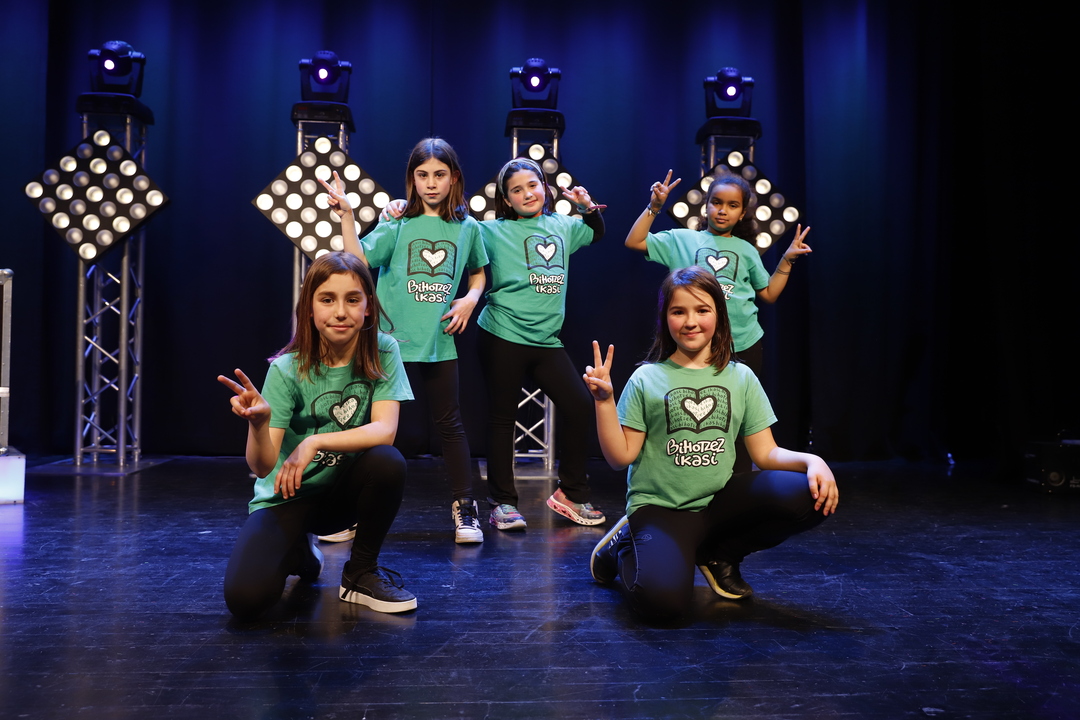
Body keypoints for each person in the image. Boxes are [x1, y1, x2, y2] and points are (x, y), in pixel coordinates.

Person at [583, 266, 838, 622]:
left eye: (702, 310)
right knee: (663, 607)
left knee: (812, 495)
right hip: (662, 509)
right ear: (665, 318)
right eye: (678, 311)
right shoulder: (647, 378)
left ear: (718, 313)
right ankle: (623, 545)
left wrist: (813, 461)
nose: (690, 321)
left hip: (718, 502)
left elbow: (766, 453)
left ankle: (719, 555)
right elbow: (619, 457)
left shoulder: (741, 376)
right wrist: (604, 402)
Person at [218, 252, 416, 619]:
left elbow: (385, 431)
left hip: (342, 496)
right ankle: (299, 550)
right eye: (327, 299)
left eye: (352, 299)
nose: (340, 312)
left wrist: (314, 440)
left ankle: (360, 573)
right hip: (288, 497)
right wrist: (258, 424)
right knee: (246, 601)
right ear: (309, 309)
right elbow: (262, 467)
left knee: (387, 462)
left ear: (368, 308)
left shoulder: (383, 349)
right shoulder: (286, 369)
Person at [322, 138, 489, 544]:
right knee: (366, 425)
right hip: (387, 343)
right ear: (412, 180)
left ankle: (466, 509)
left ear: (454, 178)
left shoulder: (467, 228)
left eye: (439, 174)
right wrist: (347, 217)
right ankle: (347, 511)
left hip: (438, 340)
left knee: (450, 424)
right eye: (422, 175)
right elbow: (359, 263)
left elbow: (478, 273)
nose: (431, 183)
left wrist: (470, 299)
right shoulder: (397, 222)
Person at [625, 170, 811, 473]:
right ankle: (693, 477)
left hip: (743, 344)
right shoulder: (683, 239)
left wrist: (787, 259)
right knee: (699, 418)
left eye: (732, 205)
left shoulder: (747, 250)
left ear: (742, 213)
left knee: (739, 419)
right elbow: (635, 241)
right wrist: (654, 206)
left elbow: (768, 293)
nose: (723, 210)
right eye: (716, 202)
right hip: (696, 347)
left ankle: (739, 485)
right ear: (706, 205)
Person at [476, 157, 607, 530]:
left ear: (545, 189)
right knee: (503, 418)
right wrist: (396, 212)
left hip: (546, 340)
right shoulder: (491, 231)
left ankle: (571, 494)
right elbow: (452, 232)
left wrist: (588, 206)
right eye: (516, 190)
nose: (527, 194)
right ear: (506, 199)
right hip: (502, 333)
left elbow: (596, 232)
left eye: (532, 185)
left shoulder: (562, 225)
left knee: (579, 405)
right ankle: (503, 503)